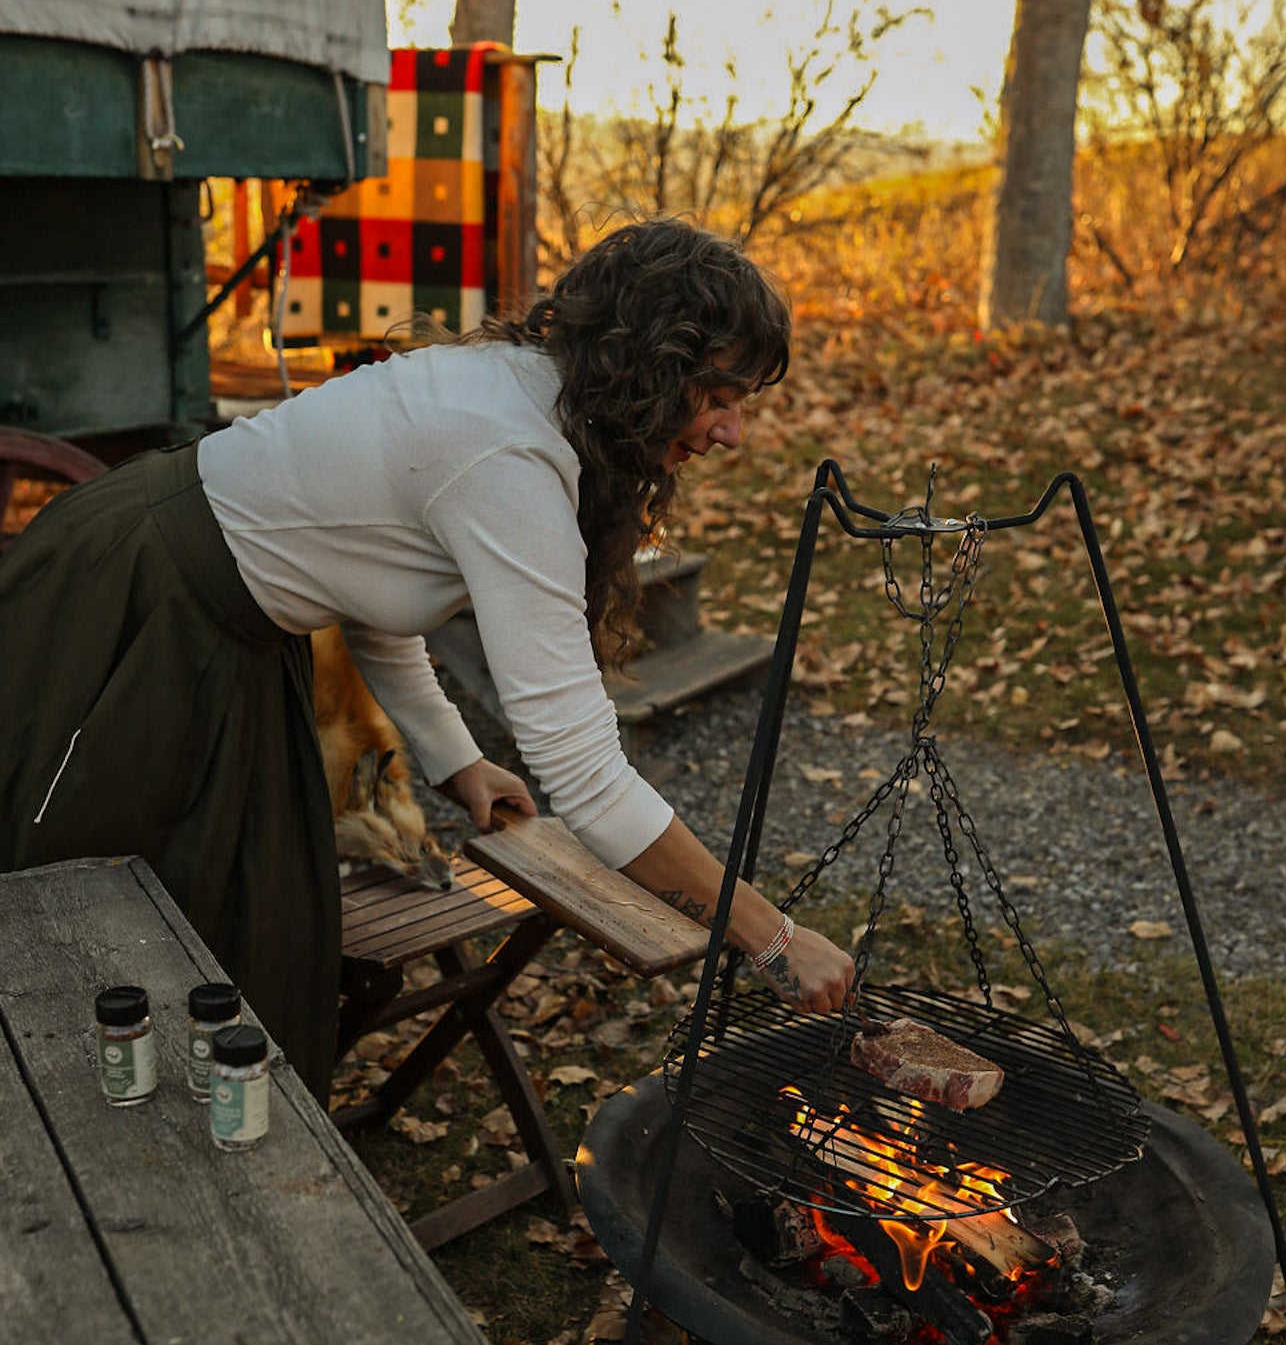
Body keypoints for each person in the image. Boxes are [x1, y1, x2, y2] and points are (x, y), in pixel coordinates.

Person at [0, 219, 854, 1103]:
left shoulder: (519, 402)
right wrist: (770, 933)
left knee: (249, 926)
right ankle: (82, 1139)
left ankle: (181, 1129)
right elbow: (586, 776)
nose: (731, 433)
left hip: (223, 632)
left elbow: (372, 592)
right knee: (92, 903)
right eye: (719, 397)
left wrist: (456, 763)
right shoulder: (506, 453)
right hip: (136, 611)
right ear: (652, 367)